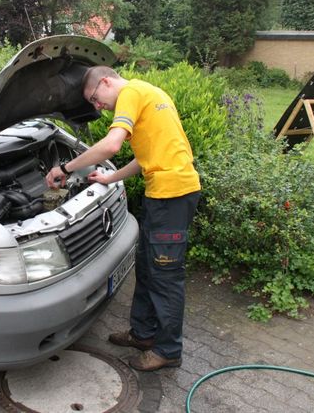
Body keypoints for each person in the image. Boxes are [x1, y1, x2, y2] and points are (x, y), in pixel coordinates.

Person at [45, 65, 201, 372]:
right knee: (148, 267)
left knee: (166, 277)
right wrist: (109, 177)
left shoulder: (130, 92)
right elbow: (145, 158)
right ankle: (143, 334)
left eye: (94, 98)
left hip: (172, 196)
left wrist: (64, 169)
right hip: (167, 195)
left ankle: (168, 350)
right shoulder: (150, 93)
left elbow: (112, 144)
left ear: (106, 81)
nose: (97, 106)